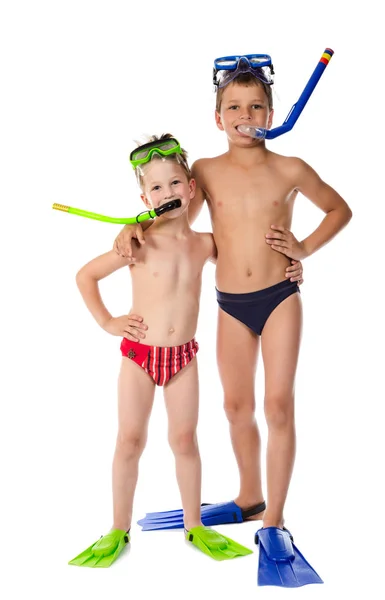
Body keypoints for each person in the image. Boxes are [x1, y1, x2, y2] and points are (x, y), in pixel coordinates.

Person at [114, 55, 352, 586]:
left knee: (276, 404)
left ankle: (275, 520)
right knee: (235, 405)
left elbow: (339, 209)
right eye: (234, 107)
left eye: (257, 106)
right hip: (230, 303)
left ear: (273, 113)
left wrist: (305, 248)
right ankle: (250, 496)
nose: (246, 114)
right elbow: (175, 223)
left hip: (279, 296)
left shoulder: (290, 168)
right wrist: (133, 228)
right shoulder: (203, 172)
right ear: (217, 117)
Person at [68, 134, 253, 568]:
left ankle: (195, 525)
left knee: (184, 439)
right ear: (143, 198)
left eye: (174, 184)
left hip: (183, 357)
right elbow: (85, 276)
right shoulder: (137, 241)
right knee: (130, 439)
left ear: (191, 189)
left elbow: (246, 261)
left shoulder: (206, 244)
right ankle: (117, 528)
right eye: (156, 188)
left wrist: (291, 264)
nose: (166, 193)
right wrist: (108, 321)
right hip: (138, 355)